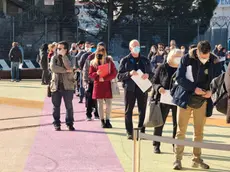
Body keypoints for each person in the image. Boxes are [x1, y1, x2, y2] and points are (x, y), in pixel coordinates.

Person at [172, 41, 222, 170]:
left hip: (203, 101)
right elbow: (179, 78)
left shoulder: (214, 61)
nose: (205, 59)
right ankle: (177, 159)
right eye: (202, 56)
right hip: (185, 98)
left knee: (199, 132)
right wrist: (194, 89)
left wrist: (212, 92)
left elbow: (219, 80)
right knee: (180, 130)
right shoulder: (186, 58)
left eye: (207, 56)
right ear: (197, 52)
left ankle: (197, 158)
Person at [118, 39, 153, 139]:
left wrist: (148, 75)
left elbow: (152, 74)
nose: (136, 48)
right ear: (130, 48)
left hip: (143, 88)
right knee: (128, 110)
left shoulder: (145, 60)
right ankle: (129, 132)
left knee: (143, 110)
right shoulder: (125, 60)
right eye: (134, 46)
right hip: (130, 89)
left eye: (138, 45)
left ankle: (141, 130)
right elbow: (119, 76)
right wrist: (129, 73)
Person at [152, 49, 183, 154]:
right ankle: (156, 144)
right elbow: (154, 82)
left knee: (177, 124)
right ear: (171, 56)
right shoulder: (162, 67)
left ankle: (175, 145)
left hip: (177, 99)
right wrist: (159, 88)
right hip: (164, 99)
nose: (178, 58)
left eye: (180, 56)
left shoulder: (182, 68)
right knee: (160, 123)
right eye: (176, 56)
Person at [89, 43, 117, 128]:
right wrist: (96, 74)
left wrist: (105, 78)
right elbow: (90, 74)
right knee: (100, 103)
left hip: (107, 84)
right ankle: (102, 121)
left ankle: (108, 120)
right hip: (98, 84)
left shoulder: (109, 61)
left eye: (103, 50)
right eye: (99, 50)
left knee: (109, 103)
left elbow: (114, 72)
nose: (101, 51)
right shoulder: (93, 62)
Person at [50, 41, 75, 131]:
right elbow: (53, 68)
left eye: (60, 48)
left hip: (68, 85)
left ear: (66, 49)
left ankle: (70, 123)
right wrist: (65, 71)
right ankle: (57, 123)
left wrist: (64, 57)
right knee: (56, 106)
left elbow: (69, 67)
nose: (58, 50)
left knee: (69, 106)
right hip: (56, 85)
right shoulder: (54, 57)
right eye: (57, 48)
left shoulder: (71, 58)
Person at [83, 44, 100, 121]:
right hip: (91, 81)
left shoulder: (104, 58)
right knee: (89, 99)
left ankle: (97, 114)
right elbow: (85, 70)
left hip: (100, 81)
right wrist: (85, 81)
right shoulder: (90, 58)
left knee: (98, 99)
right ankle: (88, 114)